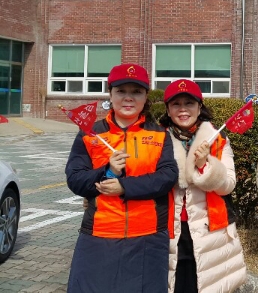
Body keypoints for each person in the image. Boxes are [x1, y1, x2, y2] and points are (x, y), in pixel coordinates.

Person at [65, 63, 178, 293]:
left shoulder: (159, 134)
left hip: (148, 236)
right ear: (110, 94)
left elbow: (167, 176)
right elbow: (75, 179)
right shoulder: (91, 134)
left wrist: (124, 186)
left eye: (136, 91)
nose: (128, 98)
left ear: (146, 96)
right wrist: (107, 171)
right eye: (121, 91)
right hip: (100, 234)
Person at [159, 79, 247, 293]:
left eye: (189, 103)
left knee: (203, 284)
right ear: (168, 110)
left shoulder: (217, 138)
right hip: (167, 228)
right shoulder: (156, 139)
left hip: (209, 230)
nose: (183, 109)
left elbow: (228, 185)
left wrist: (204, 165)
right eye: (176, 104)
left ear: (199, 107)